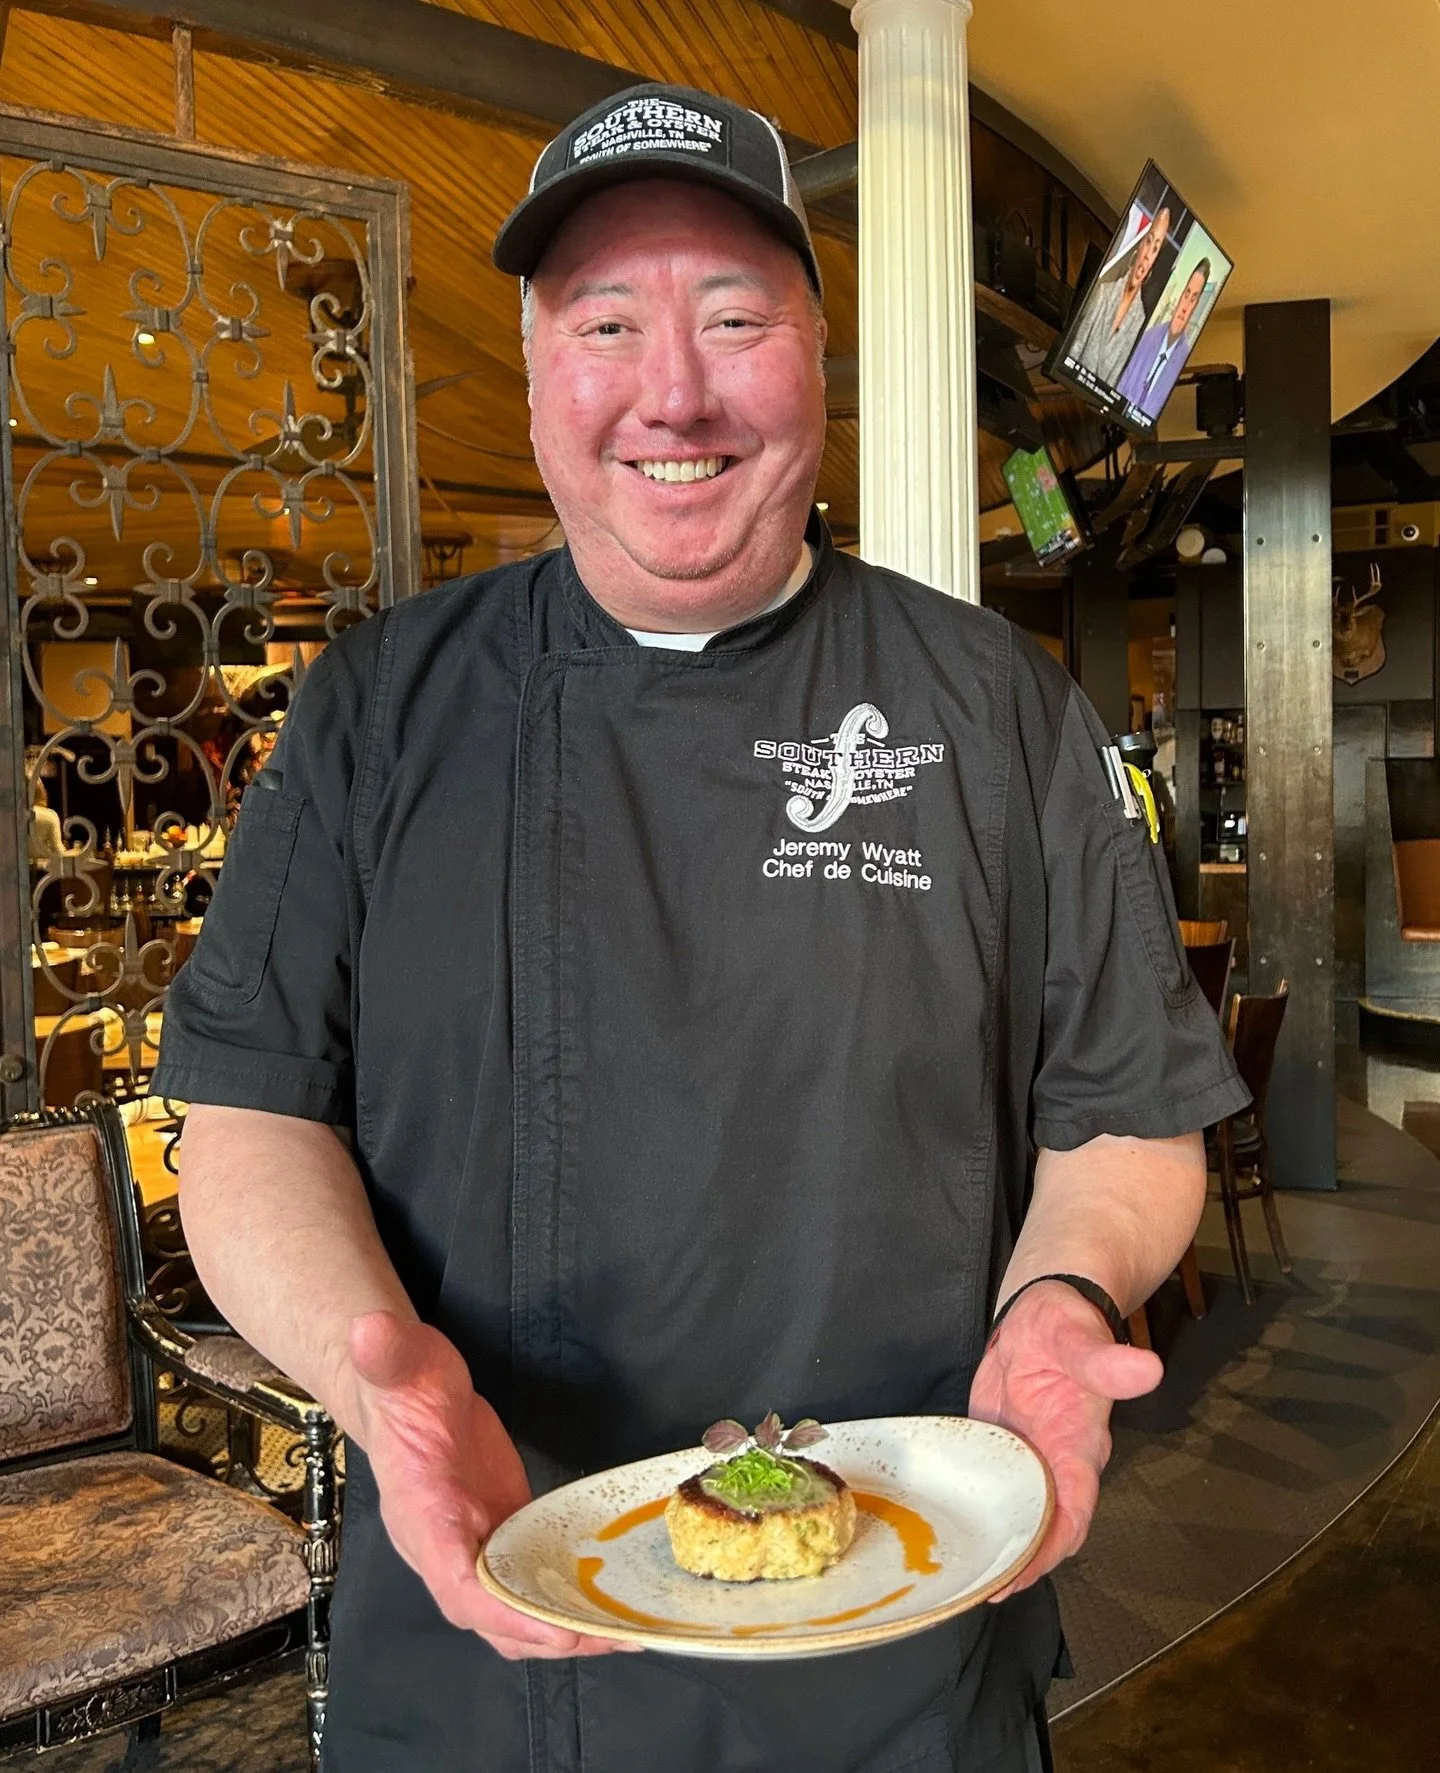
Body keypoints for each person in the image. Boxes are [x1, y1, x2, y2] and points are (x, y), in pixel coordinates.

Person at [153, 82, 1248, 1773]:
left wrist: (1067, 1291)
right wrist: (379, 1383)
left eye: (735, 319)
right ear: (533, 373)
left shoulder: (991, 706)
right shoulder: (379, 709)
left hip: (898, 1645)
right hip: (487, 1643)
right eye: (607, 323)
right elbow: (246, 1113)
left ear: (817, 353)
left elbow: (1125, 1122)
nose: (672, 389)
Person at [1067, 204, 1172, 388]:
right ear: (1139, 246)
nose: (1148, 255)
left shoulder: (1140, 317)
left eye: (1155, 248)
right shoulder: (1103, 292)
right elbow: (1073, 349)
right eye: (1148, 242)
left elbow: (1114, 381)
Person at [1115, 258, 1213, 421]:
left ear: (1196, 306)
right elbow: (1120, 386)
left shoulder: (1183, 356)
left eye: (1193, 299)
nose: (1185, 306)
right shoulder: (1149, 337)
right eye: (1186, 294)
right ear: (1181, 295)